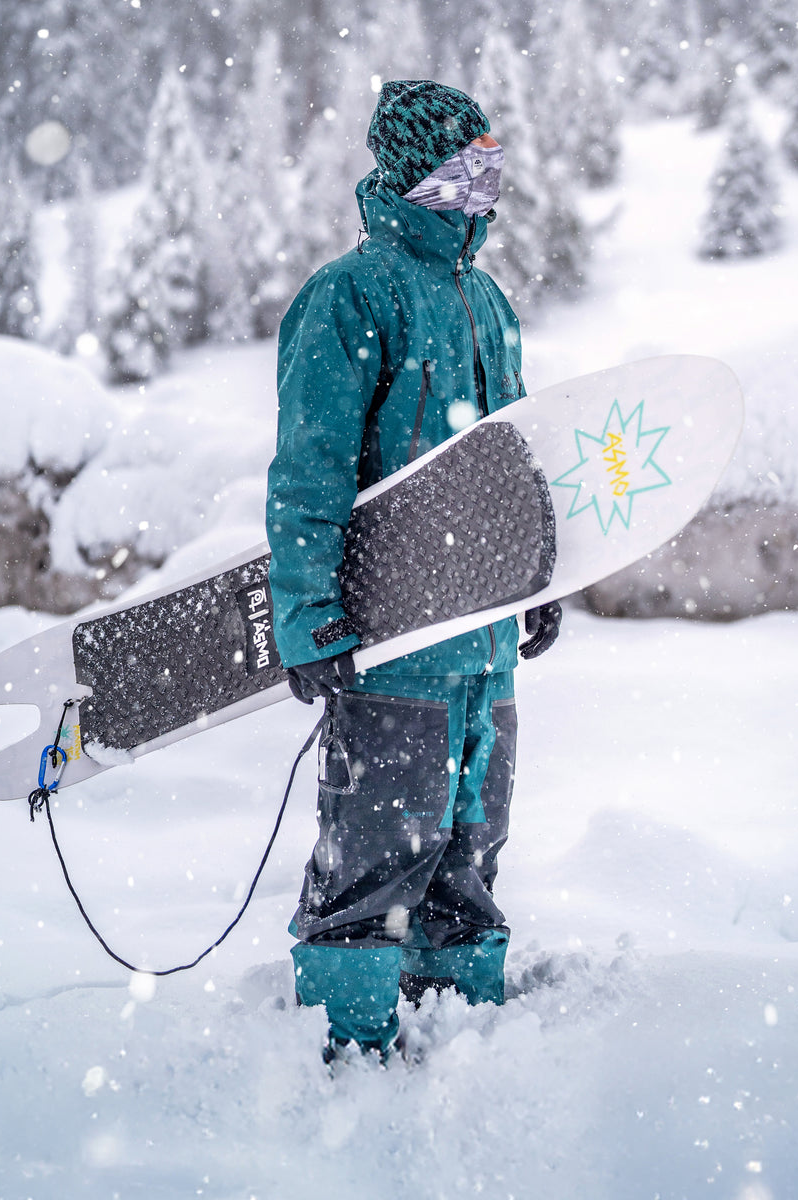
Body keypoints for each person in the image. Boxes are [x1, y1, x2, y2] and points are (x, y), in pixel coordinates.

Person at [265, 79, 562, 1063]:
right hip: (391, 652)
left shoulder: (489, 302)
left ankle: (465, 1027)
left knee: (470, 852)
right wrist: (309, 620)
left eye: (494, 165)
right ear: (415, 173)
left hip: (482, 648)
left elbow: (512, 458)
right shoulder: (348, 297)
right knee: (375, 860)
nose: (487, 187)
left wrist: (539, 580)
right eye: (466, 167)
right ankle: (348, 1056)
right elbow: (308, 477)